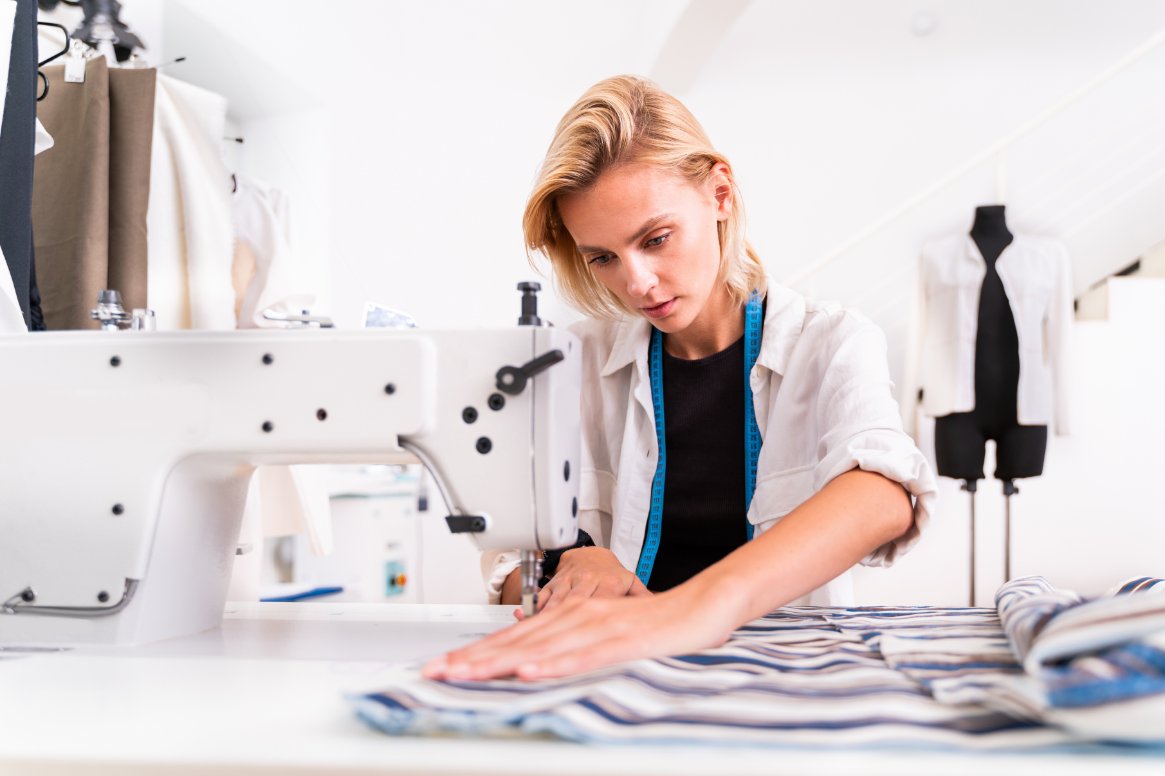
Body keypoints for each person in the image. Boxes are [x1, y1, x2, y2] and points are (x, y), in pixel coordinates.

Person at [424, 75, 937, 682]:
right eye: (603, 258)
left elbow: (883, 492)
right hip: (621, 677)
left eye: (656, 239)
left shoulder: (831, 343)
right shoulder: (572, 362)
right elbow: (512, 559)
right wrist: (571, 573)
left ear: (719, 193)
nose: (637, 283)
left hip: (785, 681)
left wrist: (696, 608)